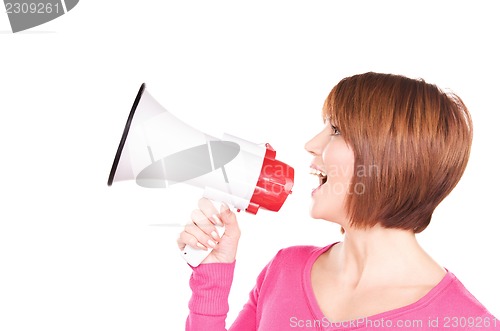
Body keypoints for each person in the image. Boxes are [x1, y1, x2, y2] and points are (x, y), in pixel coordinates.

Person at [177, 72, 498, 330]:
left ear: (391, 158)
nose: (311, 144)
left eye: (336, 130)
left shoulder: (468, 323)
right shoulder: (284, 270)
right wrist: (212, 277)